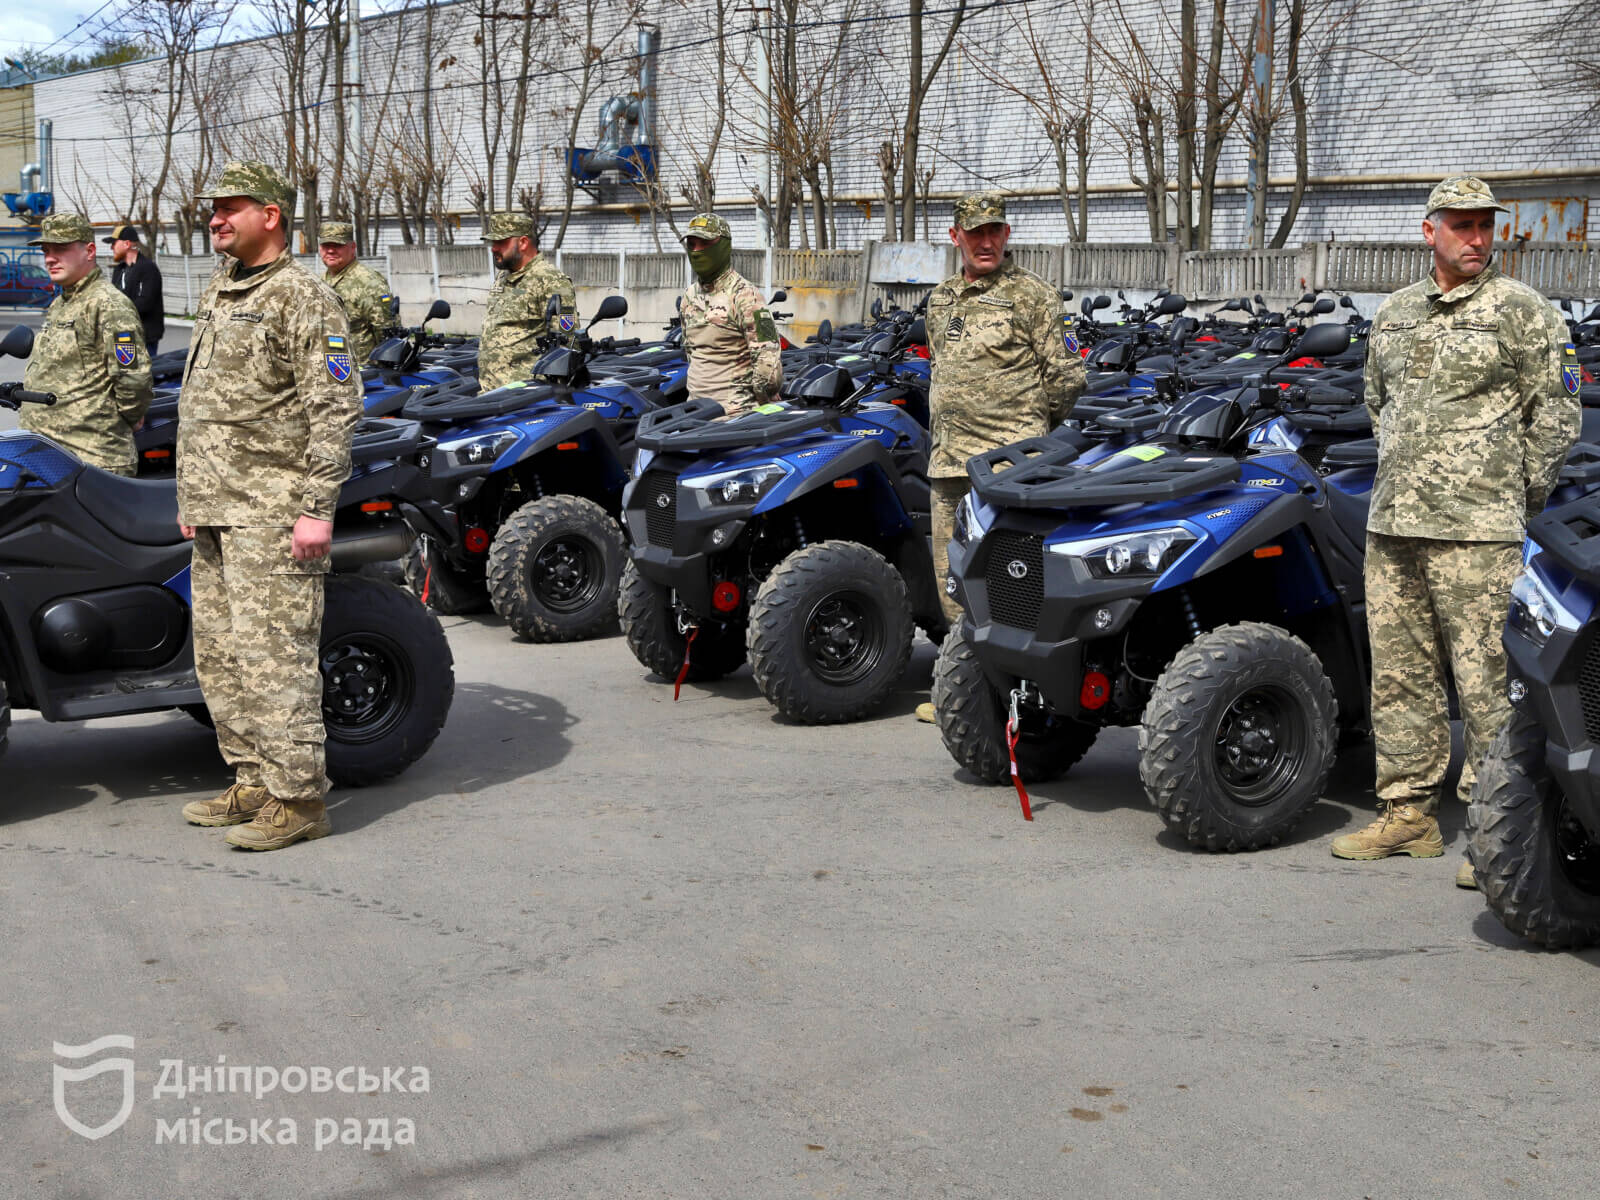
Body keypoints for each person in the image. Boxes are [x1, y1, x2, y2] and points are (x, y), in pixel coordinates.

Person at [1329, 175, 1580, 887]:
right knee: (1401, 678)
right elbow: (1379, 402)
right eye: (1462, 225)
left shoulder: (1521, 311)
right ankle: (1407, 812)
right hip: (1395, 525)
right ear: (1428, 230)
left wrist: (1508, 493)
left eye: (1485, 225)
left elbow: (1558, 416)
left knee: (1488, 685)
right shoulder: (1397, 313)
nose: (1477, 238)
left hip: (1478, 531)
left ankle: (1494, 833)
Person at [175, 160, 363, 851]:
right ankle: (253, 780)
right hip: (218, 510)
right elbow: (204, 405)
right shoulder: (222, 290)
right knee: (222, 658)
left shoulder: (303, 298)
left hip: (273, 513)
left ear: (271, 215)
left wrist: (317, 508)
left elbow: (335, 406)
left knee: (273, 659)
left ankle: (299, 798)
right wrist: (191, 496)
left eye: (230, 207)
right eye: (214, 208)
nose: (216, 218)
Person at [916, 190, 1084, 722]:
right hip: (948, 466)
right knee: (952, 583)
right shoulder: (940, 299)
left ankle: (1027, 701)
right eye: (975, 232)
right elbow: (943, 366)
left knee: (1011, 586)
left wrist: (1031, 441)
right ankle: (964, 694)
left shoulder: (1032, 294)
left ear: (1007, 235)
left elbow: (1063, 377)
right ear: (956, 237)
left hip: (1010, 470)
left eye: (995, 231)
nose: (986, 241)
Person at [23, 212, 152, 475]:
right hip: (56, 454)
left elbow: (132, 378)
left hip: (93, 460)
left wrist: (128, 417)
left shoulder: (108, 304)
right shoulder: (62, 303)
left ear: (89, 251)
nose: (49, 258)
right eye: (46, 250)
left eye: (60, 249)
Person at [678, 212, 782, 419]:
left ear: (723, 245)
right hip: (696, 415)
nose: (697, 251)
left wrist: (764, 399)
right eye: (692, 244)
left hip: (735, 418)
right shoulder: (689, 297)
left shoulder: (748, 296)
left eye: (705, 244)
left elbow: (768, 361)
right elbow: (690, 352)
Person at [478, 212, 577, 391]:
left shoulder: (551, 280)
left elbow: (567, 341)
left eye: (500, 242)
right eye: (493, 243)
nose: (493, 248)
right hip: (492, 392)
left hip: (524, 395)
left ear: (523, 243)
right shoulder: (503, 276)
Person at [318, 220, 396, 366]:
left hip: (364, 375)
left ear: (352, 247)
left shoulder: (369, 282)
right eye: (326, 245)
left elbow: (387, 335)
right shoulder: (321, 281)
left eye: (338, 245)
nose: (330, 250)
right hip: (332, 371)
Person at [103, 223, 164, 360]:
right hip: (122, 334)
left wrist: (118, 310)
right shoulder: (119, 270)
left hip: (143, 336)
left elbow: (145, 303)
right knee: (125, 374)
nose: (111, 247)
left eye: (114, 243)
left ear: (127, 244)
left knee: (144, 377)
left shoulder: (148, 268)